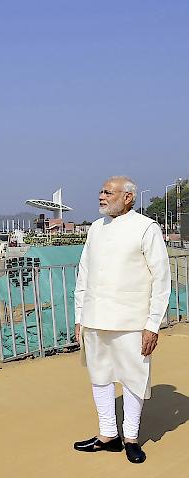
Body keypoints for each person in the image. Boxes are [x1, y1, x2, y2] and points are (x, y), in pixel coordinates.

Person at [73, 176, 171, 463]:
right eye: (101, 191)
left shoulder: (146, 228)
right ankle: (107, 435)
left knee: (133, 378)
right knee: (99, 377)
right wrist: (80, 317)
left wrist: (153, 324)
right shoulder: (95, 228)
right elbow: (84, 274)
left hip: (132, 320)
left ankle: (130, 437)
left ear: (128, 197)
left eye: (108, 192)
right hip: (95, 318)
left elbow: (161, 279)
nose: (102, 196)